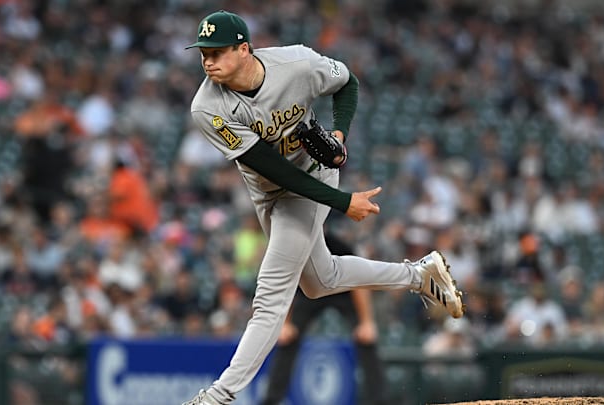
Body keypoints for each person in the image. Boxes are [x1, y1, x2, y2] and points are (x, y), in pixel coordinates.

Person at [182, 10, 464, 405]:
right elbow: (272, 168)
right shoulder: (207, 107)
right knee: (320, 281)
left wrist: (338, 133)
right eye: (203, 53)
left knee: (271, 296)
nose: (208, 61)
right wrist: (344, 203)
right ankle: (419, 275)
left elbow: (348, 82)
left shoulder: (295, 64)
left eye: (217, 51)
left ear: (244, 49)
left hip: (312, 176)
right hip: (270, 189)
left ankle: (218, 396)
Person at [261, 233, 388, 405]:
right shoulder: (295, 246)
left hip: (342, 290)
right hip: (308, 293)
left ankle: (378, 401)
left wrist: (366, 322)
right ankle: (271, 400)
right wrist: (286, 323)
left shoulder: (338, 244)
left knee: (366, 338)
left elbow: (359, 280)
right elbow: (286, 282)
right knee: (287, 338)